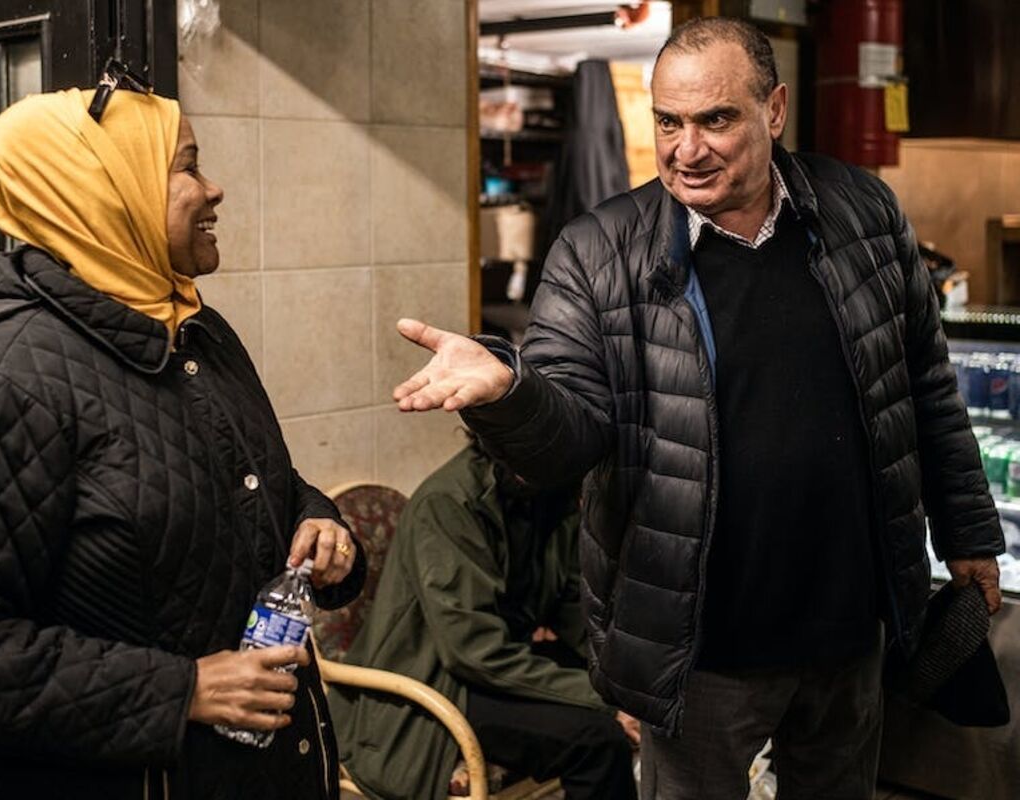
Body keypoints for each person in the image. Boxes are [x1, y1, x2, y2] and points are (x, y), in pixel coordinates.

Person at [390, 17, 1005, 800]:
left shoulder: (865, 214)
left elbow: (925, 390)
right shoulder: (597, 250)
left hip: (849, 626)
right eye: (669, 122)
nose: (687, 149)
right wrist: (512, 394)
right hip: (700, 649)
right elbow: (566, 442)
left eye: (717, 119)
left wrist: (970, 535)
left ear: (774, 110)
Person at [0, 81, 364, 800]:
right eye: (187, 166)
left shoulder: (196, 332)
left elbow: (264, 486)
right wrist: (180, 690)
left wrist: (320, 524)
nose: (213, 187)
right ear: (104, 193)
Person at [328, 440, 639, 800]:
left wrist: (626, 689)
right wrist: (601, 703)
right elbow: (473, 653)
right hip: (441, 680)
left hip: (500, 657)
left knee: (622, 687)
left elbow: (573, 610)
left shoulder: (551, 490)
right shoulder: (448, 502)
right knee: (597, 741)